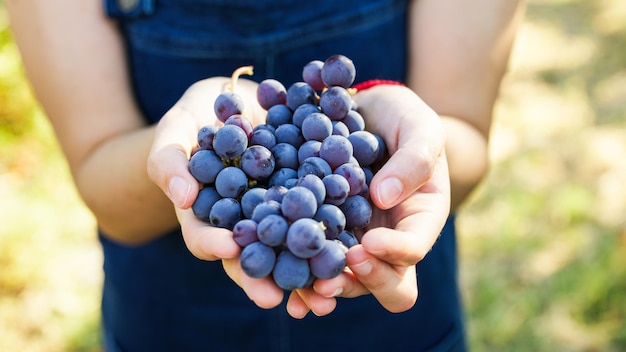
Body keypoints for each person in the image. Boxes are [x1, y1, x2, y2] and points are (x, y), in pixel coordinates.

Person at [7, 0, 525, 350]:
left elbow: (468, 141)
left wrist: (401, 134)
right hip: (174, 324)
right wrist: (183, 158)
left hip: (389, 309)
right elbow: (102, 182)